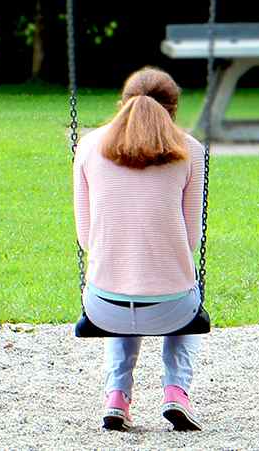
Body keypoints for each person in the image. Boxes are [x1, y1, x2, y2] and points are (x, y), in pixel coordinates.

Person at [72, 67, 205, 432]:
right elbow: (191, 240)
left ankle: (116, 395)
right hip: (173, 310)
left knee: (121, 280)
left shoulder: (87, 146)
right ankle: (176, 391)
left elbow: (86, 239)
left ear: (123, 103)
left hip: (104, 308)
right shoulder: (191, 151)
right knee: (180, 287)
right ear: (173, 109)